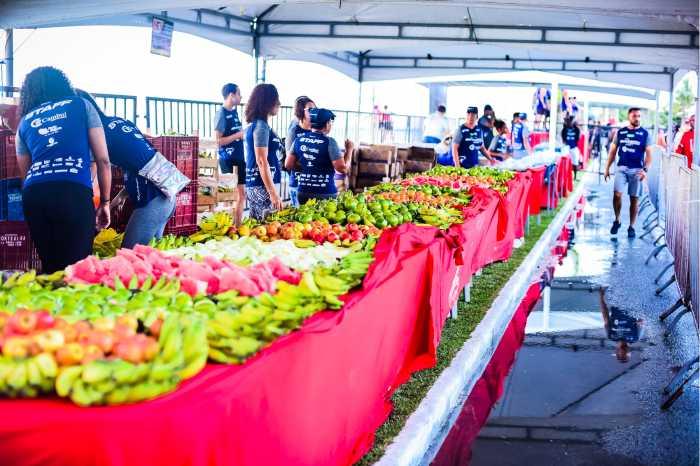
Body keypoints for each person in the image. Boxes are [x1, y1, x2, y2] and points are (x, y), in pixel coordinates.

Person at [15, 66, 111, 273]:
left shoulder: (25, 122)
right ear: (62, 84)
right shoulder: (81, 105)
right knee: (78, 270)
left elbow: (25, 174)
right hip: (72, 192)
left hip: (35, 195)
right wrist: (105, 202)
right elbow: (102, 160)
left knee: (51, 270)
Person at [77, 90, 189, 248]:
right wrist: (113, 202)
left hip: (153, 200)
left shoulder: (97, 132)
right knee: (147, 257)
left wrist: (91, 202)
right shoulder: (120, 122)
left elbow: (96, 167)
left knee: (129, 255)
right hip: (166, 195)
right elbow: (139, 163)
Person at [604, 107, 652, 238]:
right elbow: (612, 152)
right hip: (622, 168)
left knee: (634, 200)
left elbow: (649, 155)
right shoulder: (620, 132)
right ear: (629, 117)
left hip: (637, 170)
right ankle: (617, 220)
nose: (637, 118)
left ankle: (631, 226)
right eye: (634, 116)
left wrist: (645, 170)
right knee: (617, 195)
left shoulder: (645, 134)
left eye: (639, 116)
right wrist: (607, 168)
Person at [285, 108, 351, 205]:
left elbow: (288, 165)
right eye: (330, 122)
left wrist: (307, 168)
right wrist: (349, 150)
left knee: (305, 219)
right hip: (325, 193)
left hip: (303, 192)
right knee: (322, 220)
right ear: (327, 124)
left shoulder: (299, 140)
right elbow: (343, 169)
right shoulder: (330, 142)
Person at [244, 84, 283, 221]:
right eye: (276, 99)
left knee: (257, 229)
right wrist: (273, 193)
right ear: (268, 102)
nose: (279, 103)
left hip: (257, 184)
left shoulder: (256, 125)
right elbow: (261, 161)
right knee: (268, 231)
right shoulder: (261, 126)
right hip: (263, 186)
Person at [214, 83, 245, 226]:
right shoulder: (221, 113)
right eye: (239, 94)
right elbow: (217, 141)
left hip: (239, 157)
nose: (241, 96)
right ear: (231, 95)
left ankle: (237, 226)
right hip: (228, 159)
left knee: (241, 195)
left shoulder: (235, 112)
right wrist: (238, 135)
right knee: (231, 196)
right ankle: (229, 227)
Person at [285, 96, 316, 207]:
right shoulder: (294, 131)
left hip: (314, 184)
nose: (314, 112)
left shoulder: (316, 131)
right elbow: (289, 163)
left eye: (315, 109)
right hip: (298, 184)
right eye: (310, 110)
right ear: (300, 112)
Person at [599, 287, 643, 363]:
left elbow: (605, 315)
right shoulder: (636, 337)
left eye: (623, 355)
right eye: (627, 354)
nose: (626, 352)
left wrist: (601, 297)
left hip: (616, 298)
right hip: (632, 299)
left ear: (617, 352)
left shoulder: (611, 335)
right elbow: (641, 319)